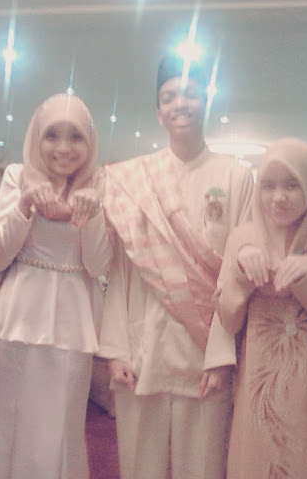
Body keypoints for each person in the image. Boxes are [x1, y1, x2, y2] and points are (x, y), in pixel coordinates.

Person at [99, 53, 253, 479]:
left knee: (202, 468)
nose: (179, 104)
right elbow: (119, 271)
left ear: (206, 100)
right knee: (139, 467)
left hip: (205, 356)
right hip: (142, 349)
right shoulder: (134, 180)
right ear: (158, 111)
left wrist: (222, 356)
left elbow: (236, 278)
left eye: (189, 94)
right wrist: (116, 349)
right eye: (168, 97)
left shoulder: (236, 177)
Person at [0, 93, 111, 479]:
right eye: (52, 135)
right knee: (5, 420)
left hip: (71, 321)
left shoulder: (97, 185)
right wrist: (24, 207)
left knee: (60, 426)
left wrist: (94, 212)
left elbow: (98, 264)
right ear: (37, 136)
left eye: (75, 136)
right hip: (15, 316)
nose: (63, 147)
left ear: (89, 142)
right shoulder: (18, 175)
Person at [216, 138, 307, 479]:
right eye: (268, 185)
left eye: (292, 185)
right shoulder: (242, 238)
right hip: (259, 400)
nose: (278, 197)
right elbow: (228, 321)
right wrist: (242, 275)